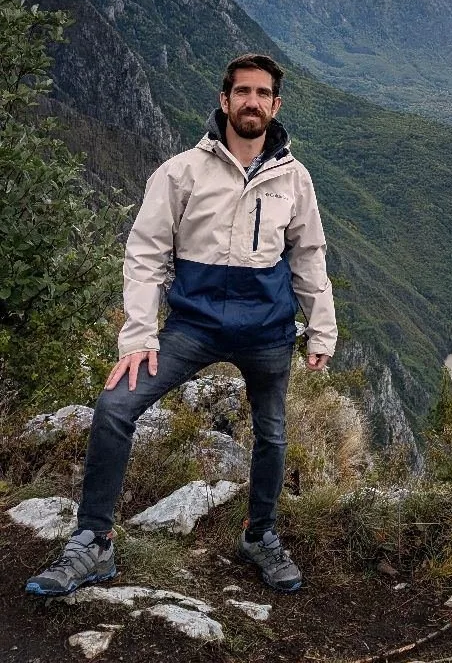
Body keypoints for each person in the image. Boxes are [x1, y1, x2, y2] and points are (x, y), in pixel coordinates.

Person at [26, 53, 337, 596]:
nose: (252, 103)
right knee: (116, 405)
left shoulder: (294, 178)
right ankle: (93, 541)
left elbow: (309, 254)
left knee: (272, 433)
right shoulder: (182, 171)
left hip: (267, 329)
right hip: (193, 326)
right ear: (225, 100)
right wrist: (139, 336)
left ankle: (259, 534)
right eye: (243, 92)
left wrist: (321, 329)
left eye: (263, 94)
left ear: (275, 105)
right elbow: (145, 255)